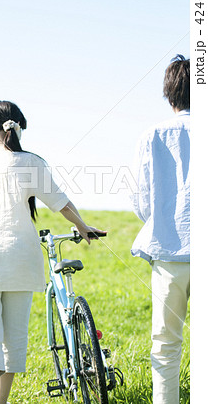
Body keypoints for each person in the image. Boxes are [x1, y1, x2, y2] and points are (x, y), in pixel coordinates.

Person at [0, 100, 104, 404]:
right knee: (13, 337)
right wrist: (83, 227)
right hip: (19, 256)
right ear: (18, 128)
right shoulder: (31, 162)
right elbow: (61, 203)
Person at [131, 55, 190, 404]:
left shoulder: (151, 135)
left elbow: (141, 200)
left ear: (169, 96)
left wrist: (164, 222)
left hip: (168, 253)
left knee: (166, 345)